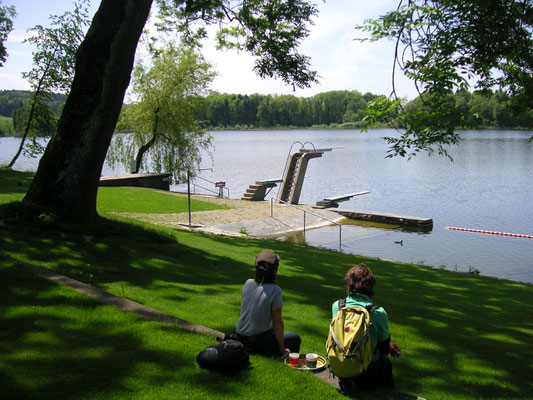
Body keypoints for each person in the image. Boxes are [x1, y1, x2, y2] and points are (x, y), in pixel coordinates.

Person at [331, 263, 402, 391]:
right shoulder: (378, 313)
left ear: (348, 284)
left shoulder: (337, 306)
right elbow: (384, 353)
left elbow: (347, 337)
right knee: (386, 363)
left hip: (340, 367)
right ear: (371, 287)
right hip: (366, 374)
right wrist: (387, 346)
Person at [234, 250, 301, 357]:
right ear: (275, 271)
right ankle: (288, 362)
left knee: (271, 332)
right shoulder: (275, 291)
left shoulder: (248, 283)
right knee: (295, 338)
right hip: (257, 342)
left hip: (239, 337)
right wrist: (282, 349)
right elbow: (278, 323)